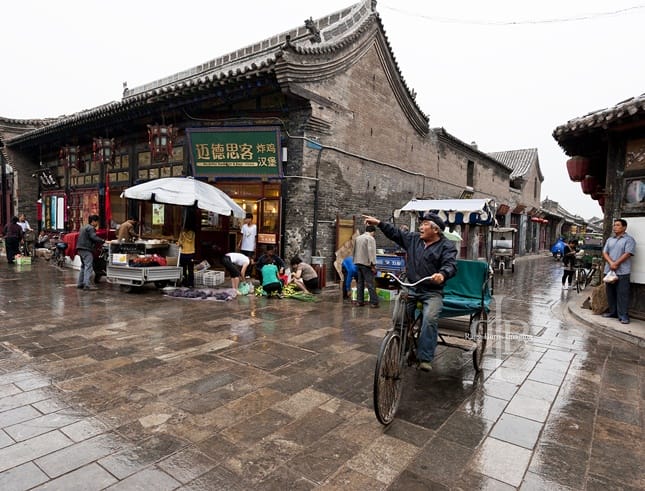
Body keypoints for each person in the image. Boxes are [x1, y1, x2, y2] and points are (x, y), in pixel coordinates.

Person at [363, 212, 457, 372]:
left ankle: (425, 357)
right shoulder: (413, 239)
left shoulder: (447, 246)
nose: (420, 227)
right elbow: (395, 233)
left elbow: (451, 264)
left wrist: (442, 274)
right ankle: (404, 347)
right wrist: (379, 223)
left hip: (432, 291)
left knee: (429, 319)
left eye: (425, 224)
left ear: (435, 230)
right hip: (410, 286)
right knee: (398, 318)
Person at [602, 218, 636, 324]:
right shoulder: (610, 239)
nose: (615, 227)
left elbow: (628, 253)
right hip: (609, 271)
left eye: (617, 225)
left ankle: (623, 315)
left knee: (622, 294)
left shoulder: (629, 239)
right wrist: (611, 263)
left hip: (622, 271)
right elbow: (604, 252)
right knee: (610, 293)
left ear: (624, 227)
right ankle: (613, 312)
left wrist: (616, 263)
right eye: (614, 225)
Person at [76, 214, 105, 290]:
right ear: (93, 221)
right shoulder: (91, 228)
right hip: (86, 249)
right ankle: (87, 285)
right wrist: (103, 241)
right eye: (97, 222)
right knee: (88, 266)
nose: (97, 224)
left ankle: (80, 283)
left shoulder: (83, 227)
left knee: (83, 266)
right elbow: (93, 237)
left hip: (80, 248)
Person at [353, 225, 379, 308]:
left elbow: (354, 251)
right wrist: (373, 265)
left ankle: (359, 301)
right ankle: (374, 302)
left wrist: (355, 260)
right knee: (370, 283)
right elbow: (371, 252)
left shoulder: (358, 238)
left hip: (358, 262)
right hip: (366, 263)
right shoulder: (370, 239)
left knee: (360, 283)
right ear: (373, 232)